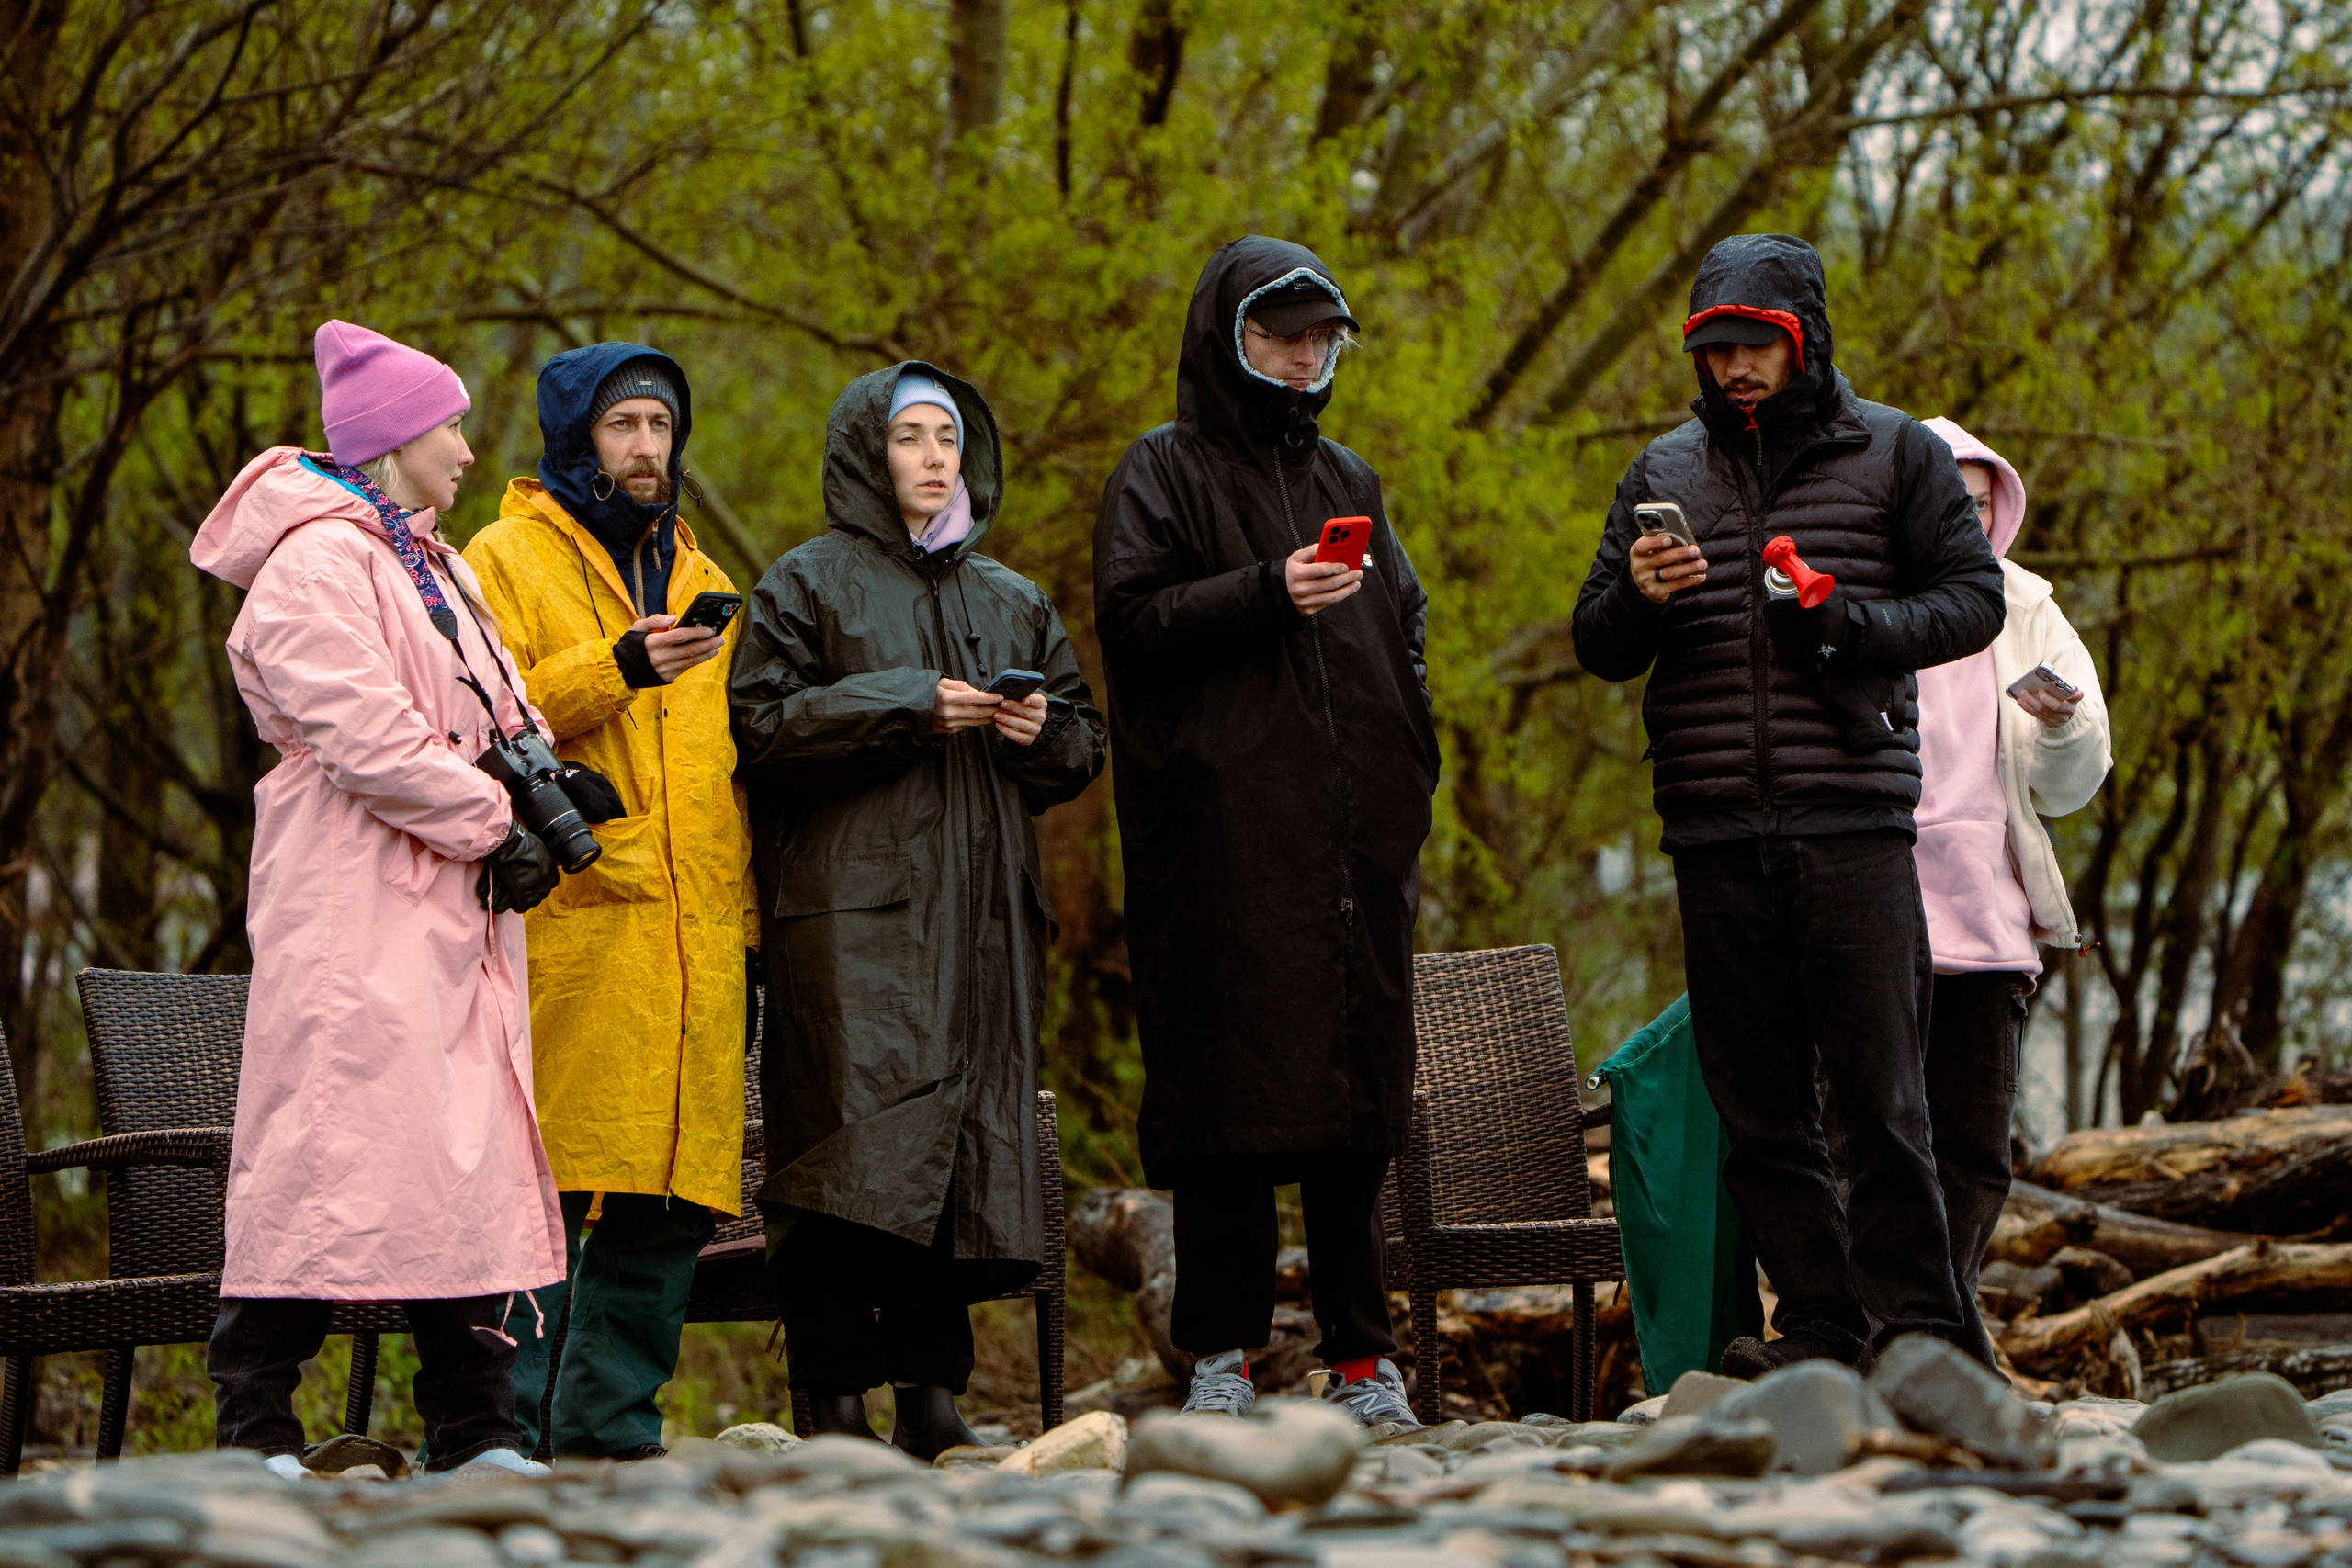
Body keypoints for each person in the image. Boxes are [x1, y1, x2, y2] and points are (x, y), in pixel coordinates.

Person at [1571, 233, 2007, 1375]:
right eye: (1715, 351)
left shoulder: (1897, 454)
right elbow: (1596, 642)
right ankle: (1817, 1326)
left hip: (1852, 813)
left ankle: (1916, 1332)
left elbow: (1973, 603)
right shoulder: (1662, 471)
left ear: (1802, 339)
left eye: (1754, 346)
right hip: (1711, 823)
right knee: (1758, 1107)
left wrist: (1848, 625)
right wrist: (1639, 596)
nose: (1734, 370)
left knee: (1879, 1096)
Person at [189, 321, 566, 1477]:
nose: (465, 448)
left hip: (441, 903)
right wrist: (494, 818)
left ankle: (477, 1427)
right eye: (448, 424)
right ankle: (256, 1430)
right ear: (395, 435)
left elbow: (488, 702)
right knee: (328, 1153)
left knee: (457, 1161)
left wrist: (545, 770)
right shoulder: (315, 562)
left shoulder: (430, 557)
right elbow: (362, 732)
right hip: (354, 902)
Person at [1093, 237, 1440, 1427]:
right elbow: (1130, 621)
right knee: (1229, 1110)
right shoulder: (1162, 470)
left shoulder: (1352, 474)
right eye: (1280, 335)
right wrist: (1265, 590)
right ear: (1224, 339)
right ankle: (1221, 1356)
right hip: (1221, 852)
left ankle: (1363, 1358)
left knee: (1356, 1111)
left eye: (1321, 338)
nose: (1304, 356)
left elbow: (1403, 628)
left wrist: (1409, 770)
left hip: (1356, 850)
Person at [729, 362, 1104, 1459]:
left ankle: (932, 1400)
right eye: (910, 438)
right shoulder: (803, 583)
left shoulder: (1011, 597)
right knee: (845, 1159)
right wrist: (902, 702)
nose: (935, 456)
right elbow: (760, 731)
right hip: (851, 926)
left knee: (951, 1160)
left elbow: (1082, 740)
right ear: (865, 452)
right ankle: (835, 1400)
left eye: (948, 437)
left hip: (983, 924)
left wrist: (1047, 737)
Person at [462, 344, 756, 1461]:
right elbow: (480, 710)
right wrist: (615, 668)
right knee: (552, 1178)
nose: (646, 449)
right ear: (576, 435)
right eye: (624, 426)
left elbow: (725, 766)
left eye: (661, 429)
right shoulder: (503, 555)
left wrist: (746, 919)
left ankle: (611, 1431)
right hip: (578, 920)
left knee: (673, 1192)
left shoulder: (699, 568)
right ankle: (509, 1431)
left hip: (696, 934)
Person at [1912, 417, 2110, 1359]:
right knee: (1866, 1136)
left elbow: (2070, 787)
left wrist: (2063, 729)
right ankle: (1881, 1328)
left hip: (1990, 915)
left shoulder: (2027, 606)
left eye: (1984, 498)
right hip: (1875, 909)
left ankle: (1939, 1329)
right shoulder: (1861, 596)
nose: (1970, 511)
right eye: (1952, 494)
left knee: (1975, 1146)